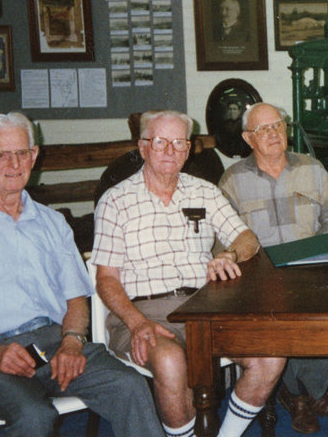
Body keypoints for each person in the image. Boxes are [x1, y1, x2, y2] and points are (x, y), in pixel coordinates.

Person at [0, 112, 161, 437]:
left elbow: (75, 298)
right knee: (34, 415)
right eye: (1, 154)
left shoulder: (53, 223)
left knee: (129, 385)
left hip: (54, 345)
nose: (14, 162)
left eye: (22, 152)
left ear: (34, 156)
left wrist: (72, 343)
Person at [90, 109, 286, 437]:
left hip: (206, 307)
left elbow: (247, 239)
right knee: (170, 361)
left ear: (189, 148)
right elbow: (106, 279)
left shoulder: (204, 192)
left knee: (271, 353)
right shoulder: (116, 201)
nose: (170, 151)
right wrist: (137, 323)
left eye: (179, 143)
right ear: (142, 147)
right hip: (143, 311)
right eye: (160, 142)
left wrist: (229, 253)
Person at [219, 102, 328, 434]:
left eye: (277, 125)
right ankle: (298, 395)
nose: (273, 134)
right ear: (248, 138)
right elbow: (222, 238)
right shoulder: (233, 180)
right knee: (272, 326)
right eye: (263, 129)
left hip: (311, 270)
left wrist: (322, 249)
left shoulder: (313, 169)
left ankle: (303, 389)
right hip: (260, 279)